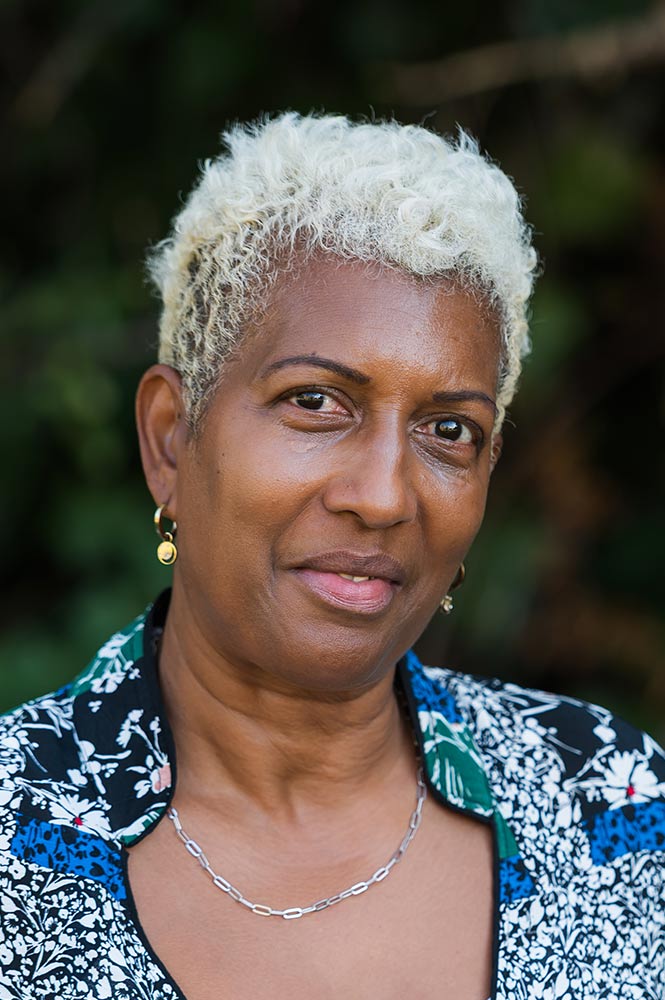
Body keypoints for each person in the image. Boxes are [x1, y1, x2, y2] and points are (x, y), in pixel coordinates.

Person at [0, 113, 663, 1000]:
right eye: (315, 401)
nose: (383, 496)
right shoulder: (17, 833)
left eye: (447, 430)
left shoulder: (609, 802)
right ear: (171, 438)